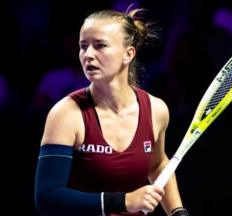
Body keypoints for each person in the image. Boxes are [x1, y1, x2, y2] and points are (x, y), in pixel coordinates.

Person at [34, 5, 189, 216]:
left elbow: (158, 164)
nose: (88, 55)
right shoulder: (66, 115)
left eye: (100, 46)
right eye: (83, 46)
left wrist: (177, 212)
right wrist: (123, 201)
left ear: (128, 54)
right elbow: (47, 198)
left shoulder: (156, 110)